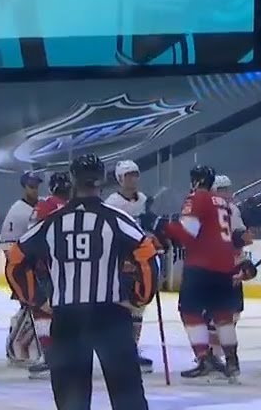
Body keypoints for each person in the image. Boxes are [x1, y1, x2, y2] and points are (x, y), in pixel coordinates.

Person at [6, 153, 159, 410]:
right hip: (111, 316)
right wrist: (138, 297)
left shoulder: (52, 222)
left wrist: (37, 299)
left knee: (72, 400)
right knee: (127, 397)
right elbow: (148, 256)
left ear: (73, 179)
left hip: (68, 318)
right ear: (101, 179)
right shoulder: (116, 218)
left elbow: (15, 259)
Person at [158, 164, 245, 383]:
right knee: (223, 315)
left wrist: (166, 226)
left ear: (196, 180)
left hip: (201, 265)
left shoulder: (197, 198)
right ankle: (232, 362)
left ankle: (204, 359)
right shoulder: (223, 203)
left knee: (190, 311)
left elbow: (188, 235)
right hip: (225, 265)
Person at [104, 159, 156, 373]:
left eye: (135, 174)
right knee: (119, 307)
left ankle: (132, 349)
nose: (133, 179)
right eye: (128, 175)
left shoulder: (144, 200)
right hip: (120, 262)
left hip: (140, 261)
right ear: (119, 178)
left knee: (138, 307)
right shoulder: (112, 203)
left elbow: (149, 229)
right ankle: (117, 350)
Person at [22, 171, 73, 378]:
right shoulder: (77, 206)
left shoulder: (44, 206)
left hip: (48, 268)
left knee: (43, 312)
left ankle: (50, 357)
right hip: (75, 269)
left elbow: (31, 235)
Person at [205, 174, 253, 364]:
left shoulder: (233, 209)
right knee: (214, 317)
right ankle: (215, 356)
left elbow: (241, 237)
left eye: (227, 189)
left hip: (231, 266)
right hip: (214, 269)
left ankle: (227, 358)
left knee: (231, 315)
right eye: (221, 190)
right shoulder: (208, 209)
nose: (226, 193)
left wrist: (243, 259)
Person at [2, 172, 44, 367]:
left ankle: (29, 348)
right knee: (30, 308)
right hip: (24, 270)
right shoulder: (17, 211)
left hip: (38, 270)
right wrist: (20, 271)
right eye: (31, 185)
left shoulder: (41, 206)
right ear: (24, 186)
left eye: (36, 185)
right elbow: (8, 245)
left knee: (36, 309)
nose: (34, 189)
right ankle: (16, 347)